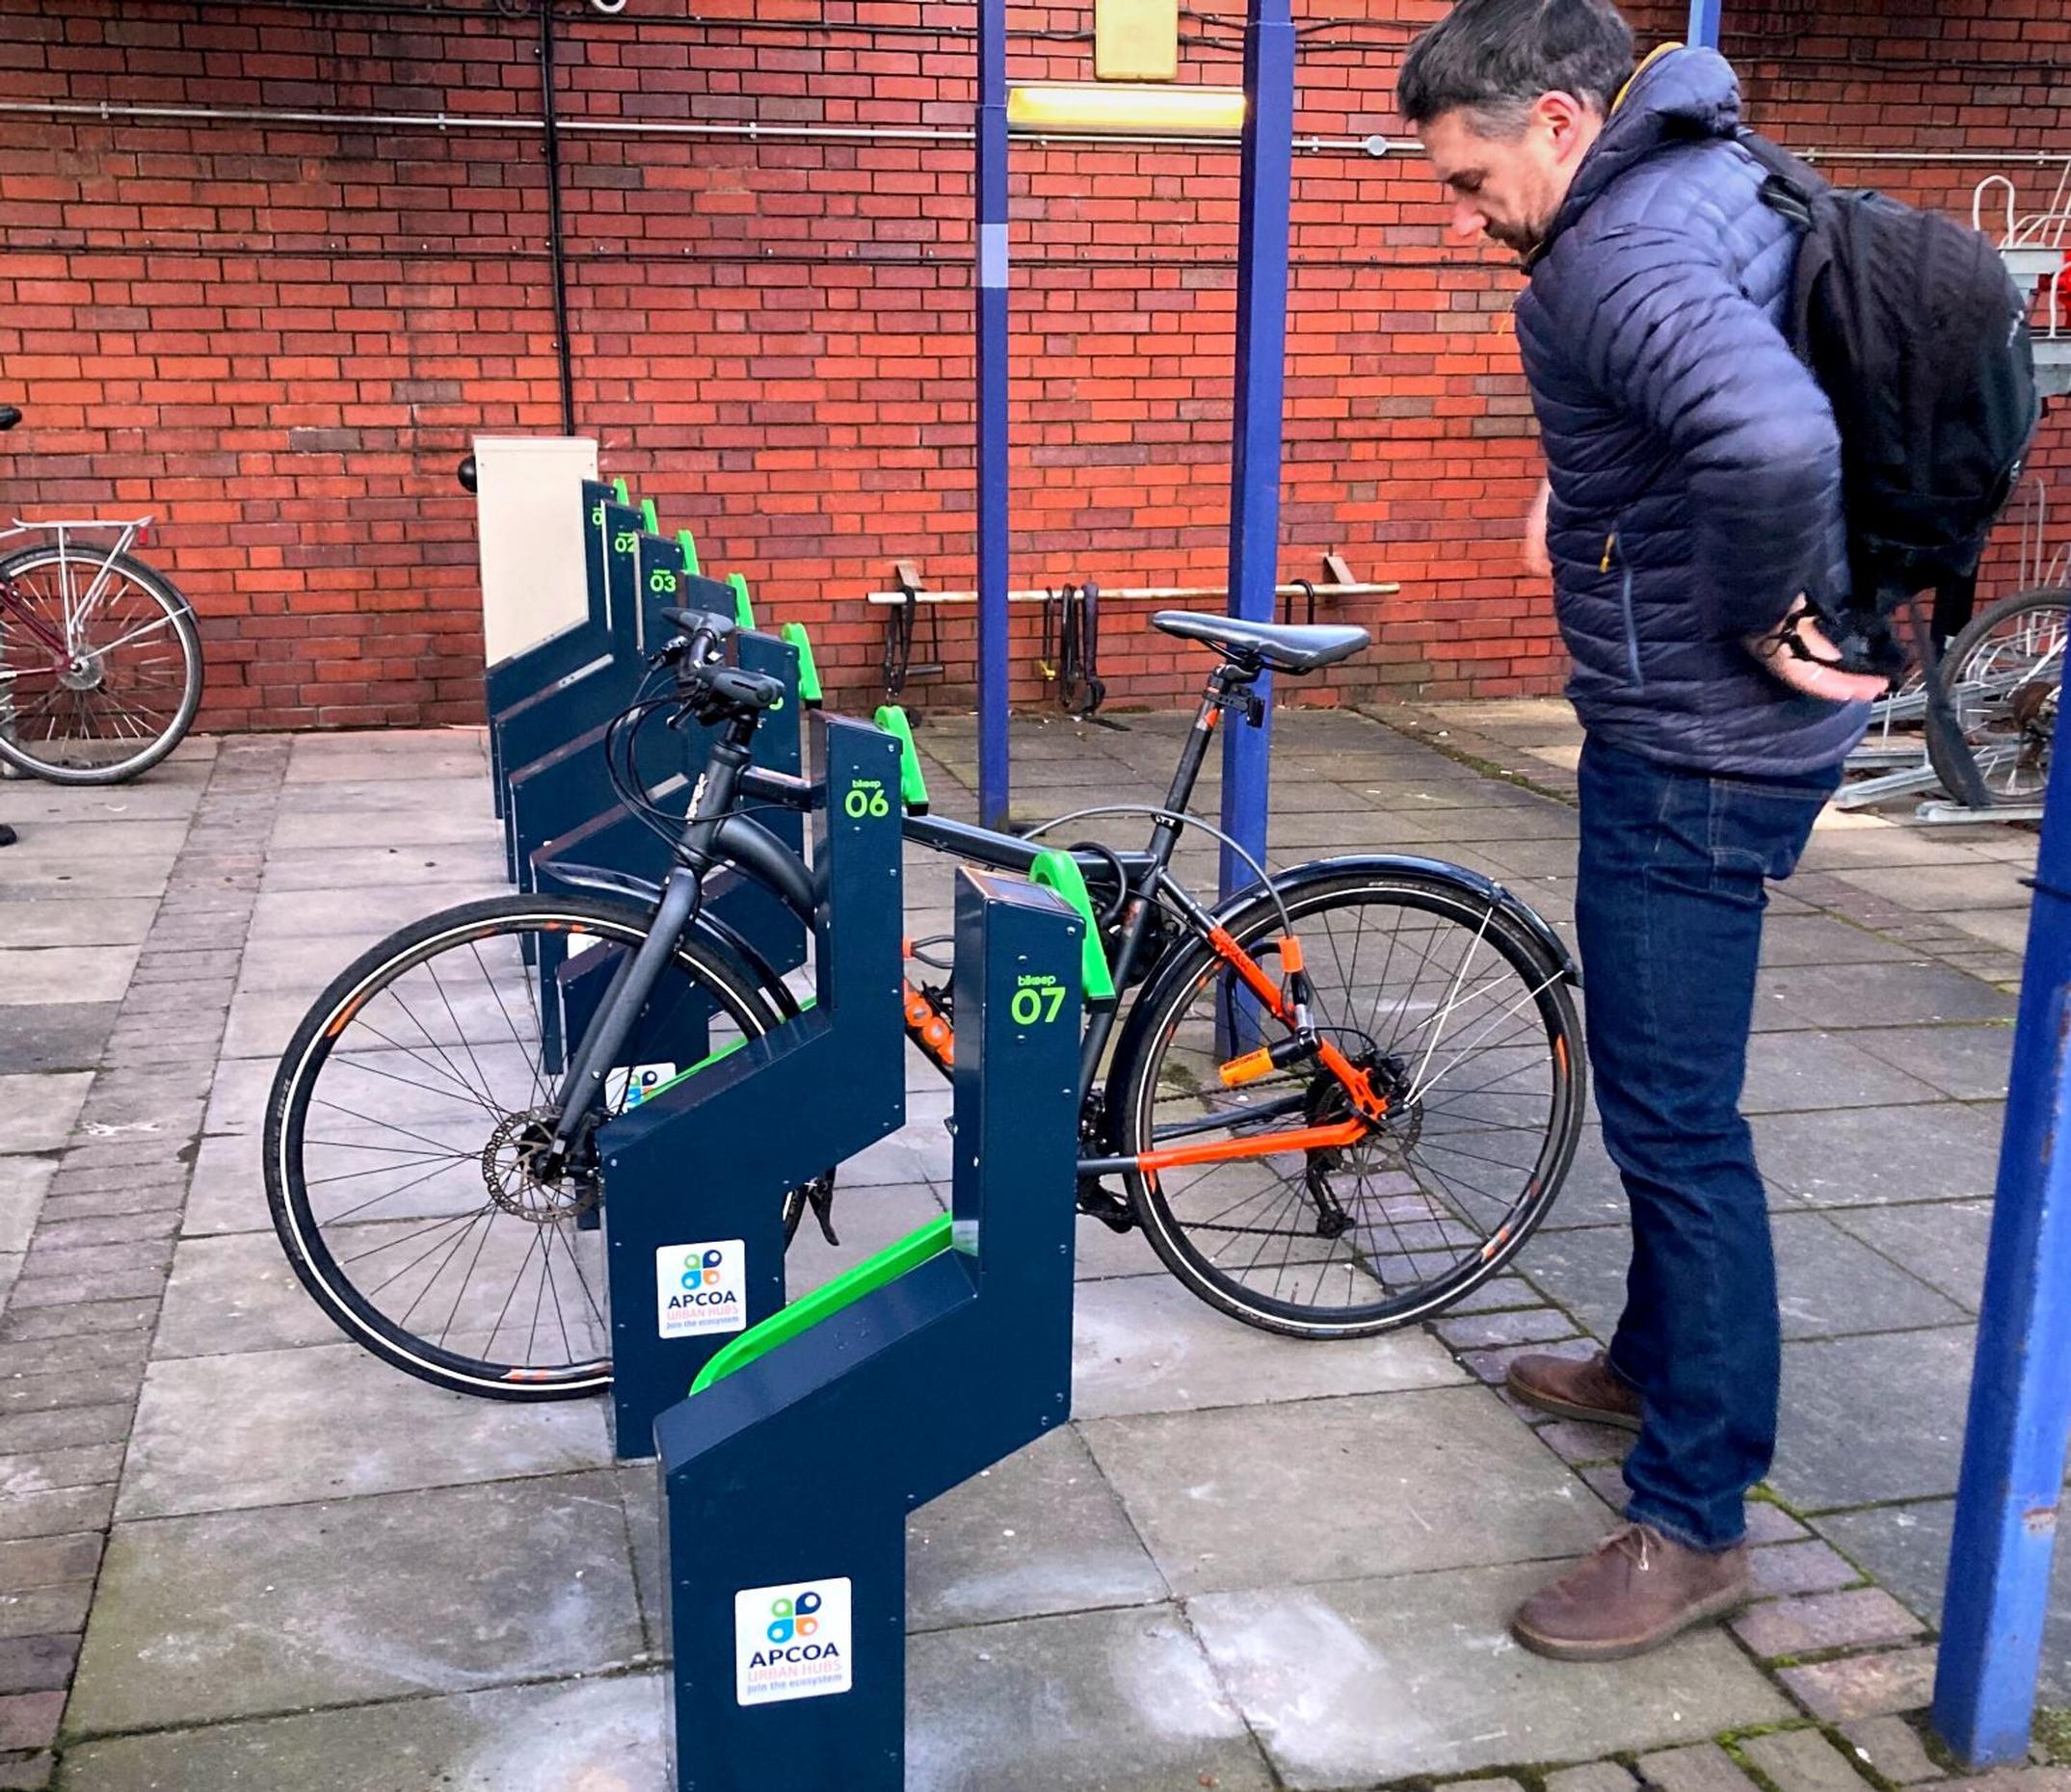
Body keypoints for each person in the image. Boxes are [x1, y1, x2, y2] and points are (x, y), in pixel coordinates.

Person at [1397, 0, 1887, 1663]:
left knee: (1677, 1125)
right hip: (1708, 734)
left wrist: (1759, 613)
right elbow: (1708, 406)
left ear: (1553, 119)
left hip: (1698, 746)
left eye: (1469, 182)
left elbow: (1767, 432)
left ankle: (1695, 1520)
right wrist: (1587, 491)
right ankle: (1644, 1364)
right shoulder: (1702, 178)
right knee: (1663, 1092)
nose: (1468, 220)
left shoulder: (1615, 251)